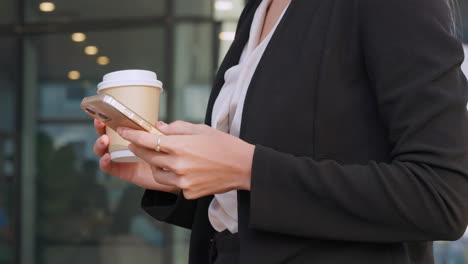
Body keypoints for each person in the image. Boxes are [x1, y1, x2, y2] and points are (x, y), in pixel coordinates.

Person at [93, 0, 468, 263]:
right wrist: (175, 178)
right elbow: (257, 202)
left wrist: (249, 170)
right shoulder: (257, 10)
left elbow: (441, 197)